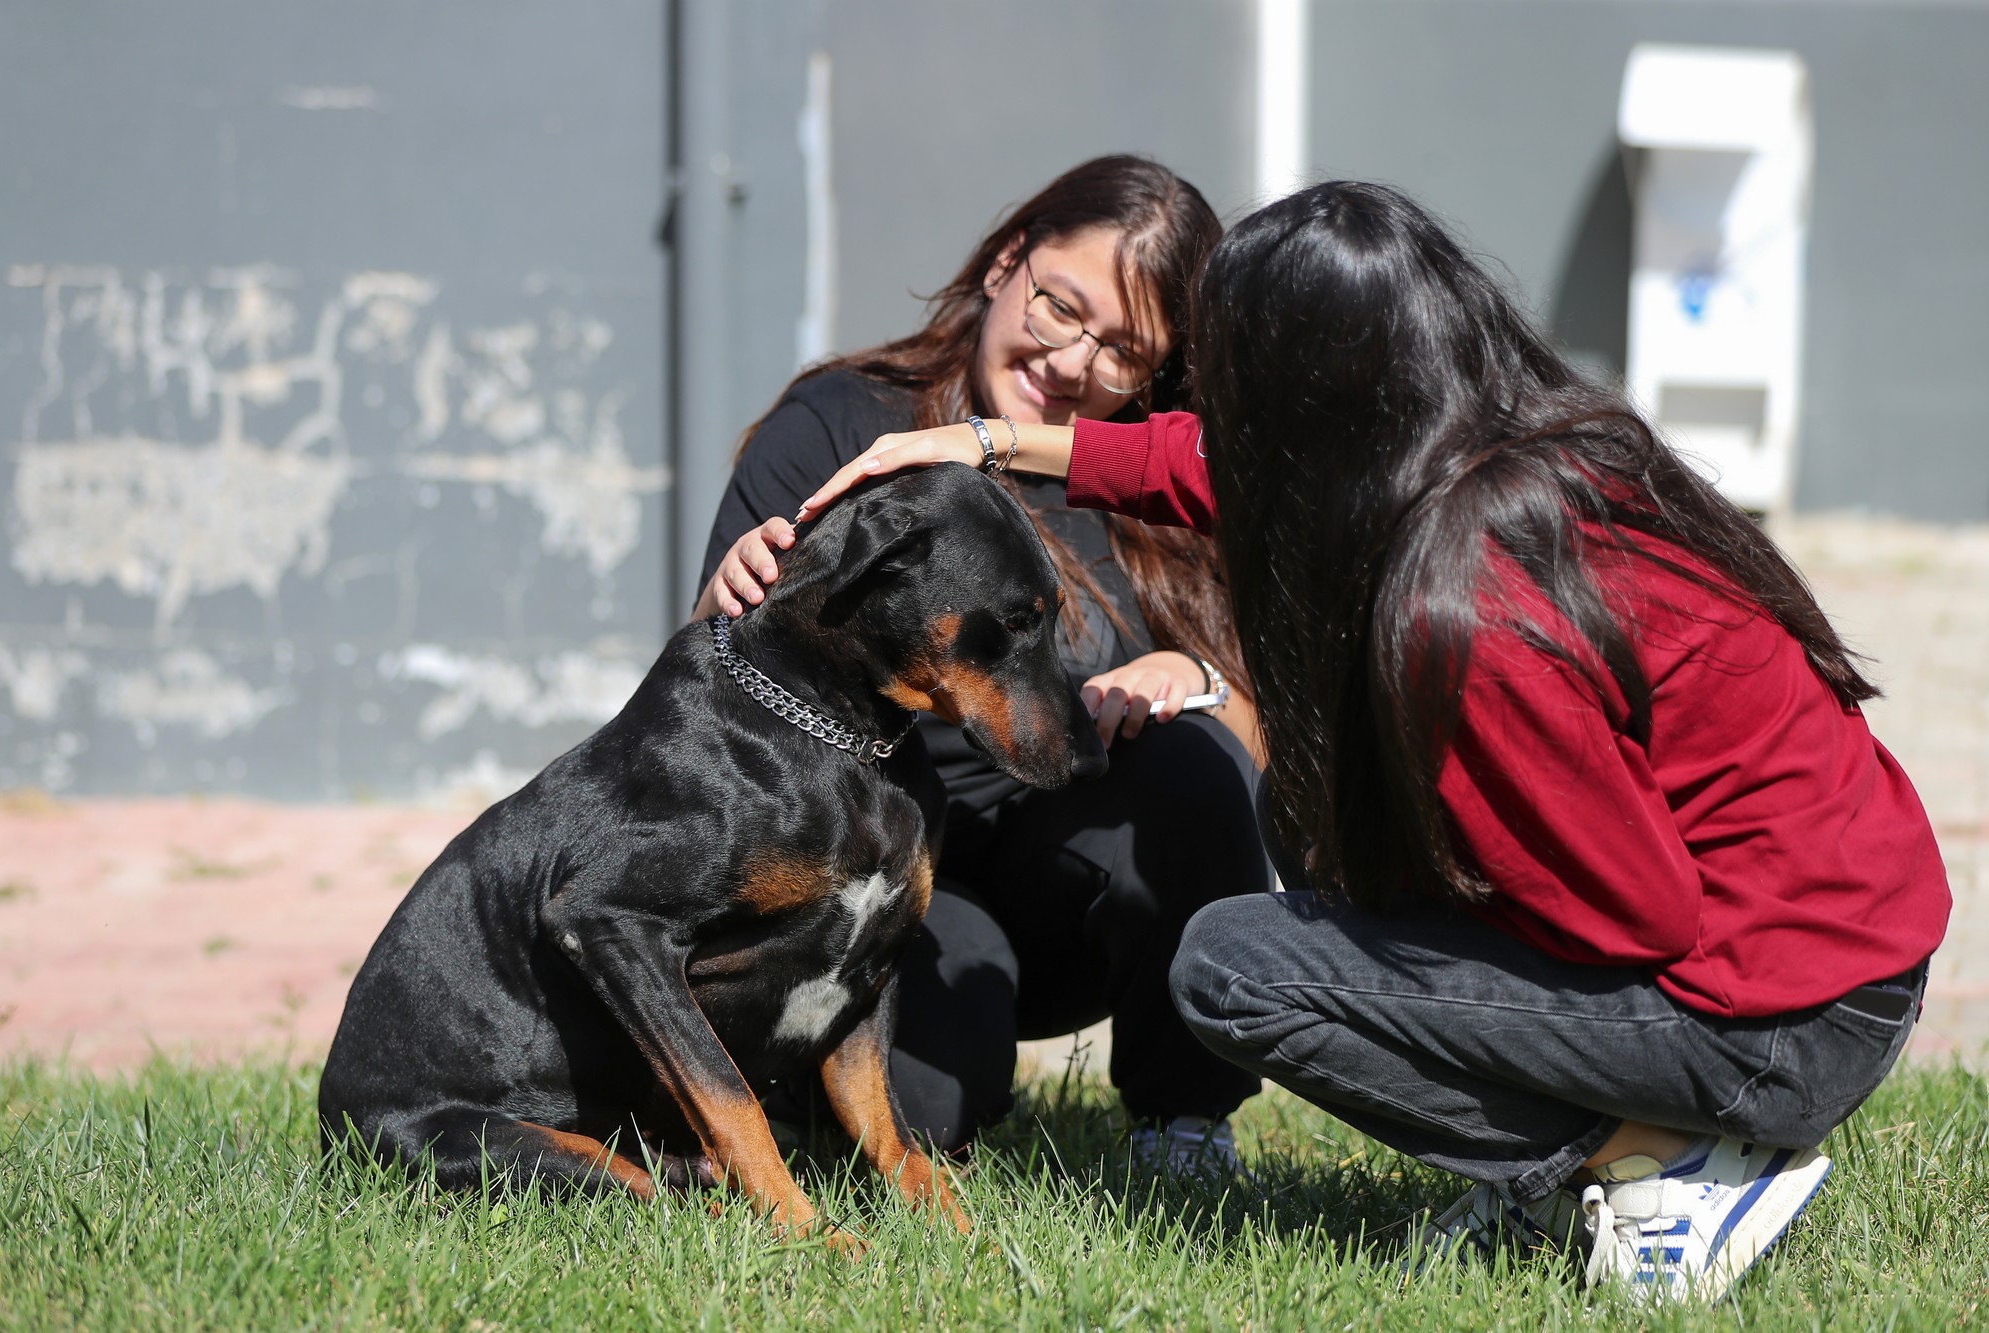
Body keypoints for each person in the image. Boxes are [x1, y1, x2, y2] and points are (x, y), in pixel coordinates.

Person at [784, 181, 1950, 1301]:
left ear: (1306, 395)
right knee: (1325, 830)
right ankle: (1627, 1148)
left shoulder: (1476, 606)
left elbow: (1633, 913)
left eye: (1226, 375)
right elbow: (1205, 470)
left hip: (1773, 1015)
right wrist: (983, 448)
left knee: (1238, 967)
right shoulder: (1504, 442)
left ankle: (1666, 1167)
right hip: (1840, 947)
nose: (1205, 403)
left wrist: (1404, 856)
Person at [694, 155, 1272, 1166]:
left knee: (1192, 768)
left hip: (1068, 882)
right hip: (868, 882)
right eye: (1059, 306)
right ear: (1009, 259)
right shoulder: (843, 422)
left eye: (1123, 351)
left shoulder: (1159, 484)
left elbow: (1259, 749)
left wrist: (1196, 682)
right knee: (916, 1117)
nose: (1071, 359)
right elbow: (706, 682)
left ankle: (1185, 1118)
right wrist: (723, 602)